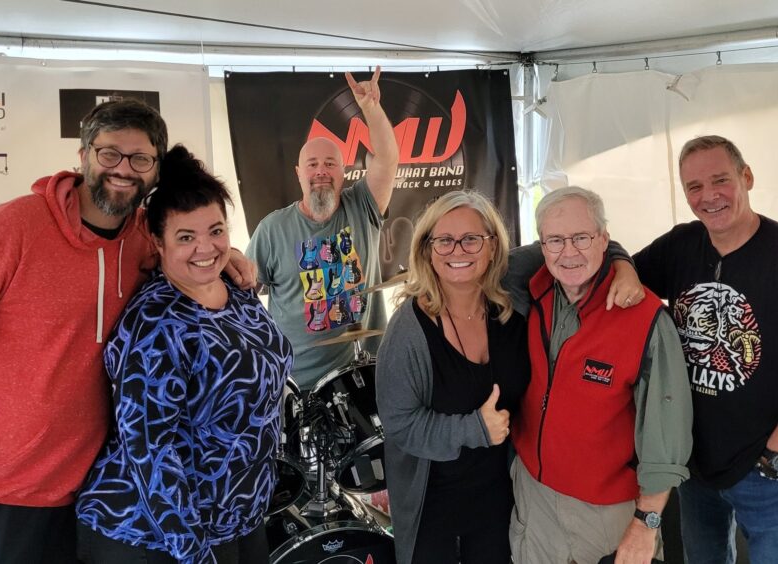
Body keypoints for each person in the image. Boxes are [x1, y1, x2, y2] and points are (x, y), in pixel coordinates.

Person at [0, 99, 253, 563]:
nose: (124, 170)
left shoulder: (142, 240)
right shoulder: (10, 230)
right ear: (83, 155)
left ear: (155, 171)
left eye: (140, 159)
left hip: (89, 496)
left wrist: (229, 258)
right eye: (109, 154)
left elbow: (193, 249)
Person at [75, 145, 292, 563]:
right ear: (157, 242)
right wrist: (193, 552)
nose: (205, 248)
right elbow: (151, 453)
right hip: (154, 535)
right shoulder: (156, 325)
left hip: (235, 519)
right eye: (185, 237)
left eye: (215, 231)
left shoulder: (237, 292)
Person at [633, 135, 778, 563]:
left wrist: (776, 460)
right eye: (693, 187)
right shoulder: (681, 246)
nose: (708, 196)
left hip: (769, 473)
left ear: (746, 177)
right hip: (697, 467)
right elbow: (622, 276)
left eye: (720, 180)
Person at [509, 186, 693, 564]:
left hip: (606, 511)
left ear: (604, 240)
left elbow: (666, 434)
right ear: (541, 245)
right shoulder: (535, 292)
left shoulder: (644, 319)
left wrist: (647, 522)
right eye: (556, 240)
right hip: (534, 494)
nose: (569, 251)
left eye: (581, 237)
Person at [375, 191, 529, 564]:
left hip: (502, 499)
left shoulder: (512, 305)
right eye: (444, 240)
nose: (458, 250)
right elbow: (400, 426)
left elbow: (573, 239)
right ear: (427, 249)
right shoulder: (408, 332)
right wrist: (474, 428)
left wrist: (620, 262)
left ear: (493, 246)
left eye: (471, 239)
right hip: (434, 504)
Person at [247, 66, 398, 391]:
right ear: (298, 173)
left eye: (330, 164)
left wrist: (371, 109)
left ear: (343, 172)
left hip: (367, 377)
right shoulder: (273, 229)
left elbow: (387, 159)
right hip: (298, 388)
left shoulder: (363, 206)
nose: (321, 171)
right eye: (312, 164)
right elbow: (241, 294)